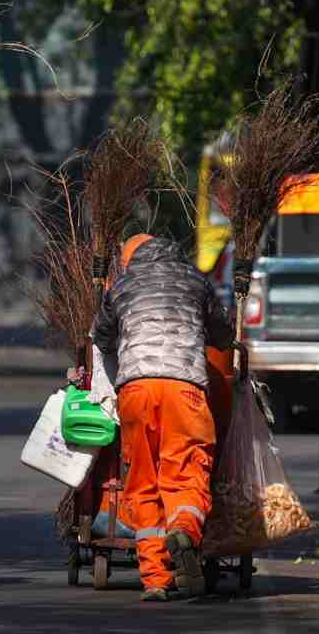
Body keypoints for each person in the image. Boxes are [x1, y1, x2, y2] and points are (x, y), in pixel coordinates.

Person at [91, 234, 234, 602]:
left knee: (142, 479)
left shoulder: (123, 284)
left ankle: (155, 578)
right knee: (185, 469)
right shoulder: (195, 280)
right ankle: (184, 530)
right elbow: (222, 333)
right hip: (184, 388)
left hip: (136, 389)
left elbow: (102, 336)